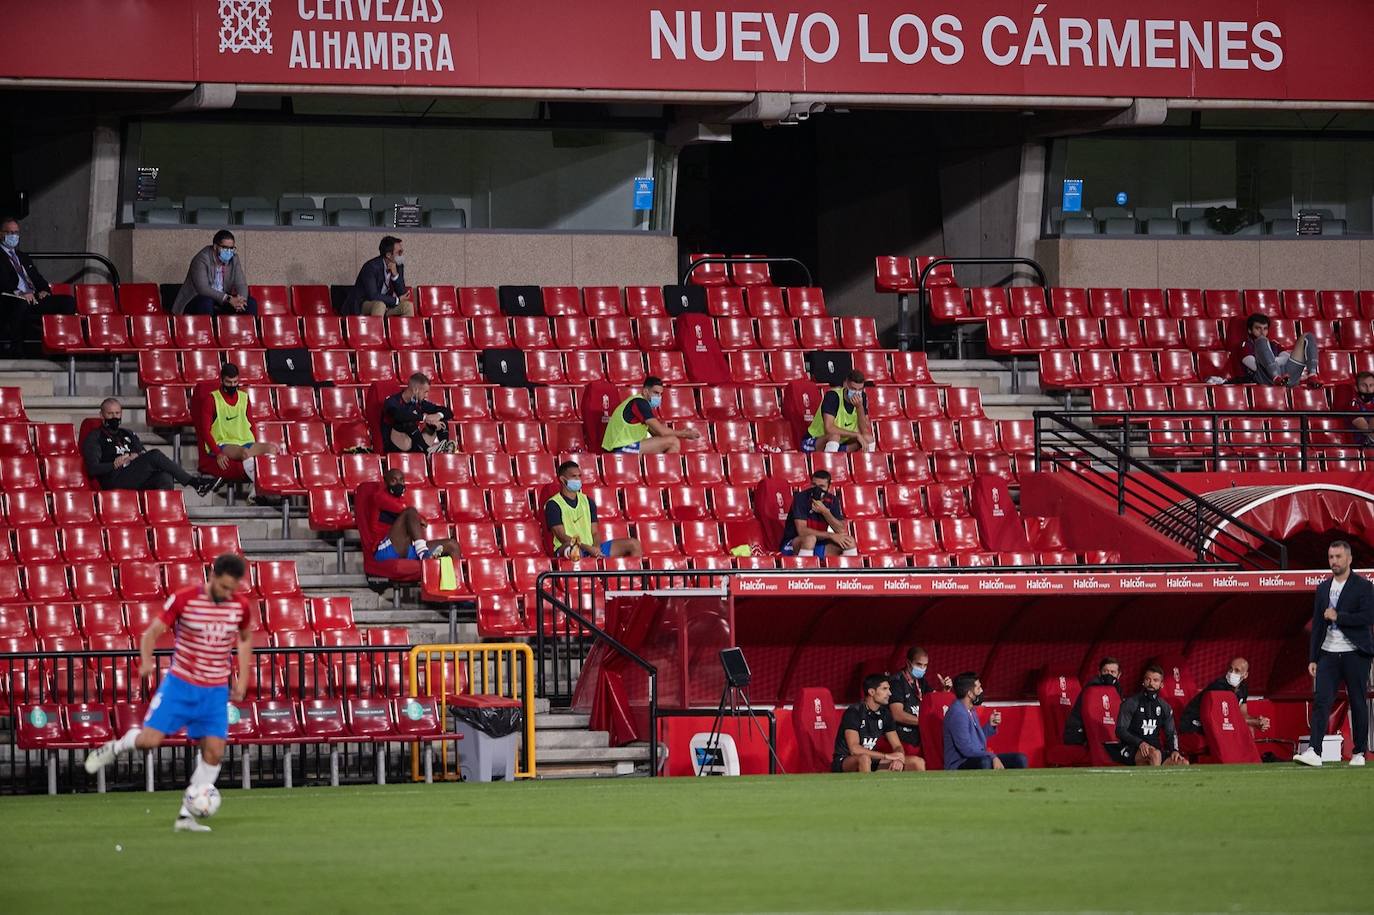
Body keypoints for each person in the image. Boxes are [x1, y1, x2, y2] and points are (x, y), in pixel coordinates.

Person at [84, 554, 253, 832]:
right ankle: (117, 746)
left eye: (232, 589)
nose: (227, 593)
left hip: (214, 691)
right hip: (180, 686)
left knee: (214, 752)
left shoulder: (240, 606)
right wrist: (146, 661)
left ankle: (186, 816)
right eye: (223, 587)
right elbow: (151, 633)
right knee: (149, 741)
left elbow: (245, 639)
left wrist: (243, 678)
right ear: (212, 576)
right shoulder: (184, 599)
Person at [1295, 539, 1372, 767]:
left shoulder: (1363, 586)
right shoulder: (1322, 588)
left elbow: (1368, 617)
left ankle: (1359, 752)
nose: (1334, 561)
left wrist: (1339, 617)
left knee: (1357, 701)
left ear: (1349, 559)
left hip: (1355, 653)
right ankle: (1314, 751)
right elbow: (1318, 625)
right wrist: (1313, 657)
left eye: (1338, 557)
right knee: (1321, 701)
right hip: (1328, 653)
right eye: (1331, 557)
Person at [82, 397, 218, 494]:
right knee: (155, 455)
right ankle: (194, 482)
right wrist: (113, 464)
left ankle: (164, 518)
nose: (114, 417)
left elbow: (143, 454)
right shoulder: (95, 436)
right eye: (110, 414)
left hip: (133, 475)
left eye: (117, 413)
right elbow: (92, 469)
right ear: (102, 415)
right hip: (114, 479)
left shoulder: (127, 433)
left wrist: (135, 456)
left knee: (165, 476)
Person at [0, 215, 77, 356]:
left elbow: (38, 279)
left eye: (16, 233)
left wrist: (44, 291)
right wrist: (20, 293)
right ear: (1, 234)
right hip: (11, 298)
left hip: (33, 297)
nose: (14, 236)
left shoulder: (23, 257)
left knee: (68, 302)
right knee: (21, 304)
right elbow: (3, 282)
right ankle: (17, 349)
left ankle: (59, 347)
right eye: (10, 232)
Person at [198, 363, 280, 491]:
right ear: (222, 380)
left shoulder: (244, 397)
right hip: (224, 443)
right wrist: (218, 453)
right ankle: (263, 489)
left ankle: (256, 490)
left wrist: (255, 443)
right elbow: (205, 431)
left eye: (235, 382)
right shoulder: (211, 399)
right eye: (228, 382)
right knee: (244, 453)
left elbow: (251, 423)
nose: (232, 385)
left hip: (245, 441)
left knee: (272, 448)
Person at [544, 461, 641, 560]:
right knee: (574, 551)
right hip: (569, 547)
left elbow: (595, 532)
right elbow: (562, 536)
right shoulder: (553, 504)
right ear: (563, 479)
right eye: (574, 476)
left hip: (590, 547)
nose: (578, 479)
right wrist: (588, 548)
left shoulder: (588, 501)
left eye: (579, 476)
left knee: (634, 544)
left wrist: (596, 548)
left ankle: (637, 571)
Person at [831, 674, 921, 773]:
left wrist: (899, 758)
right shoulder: (854, 712)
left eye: (889, 689)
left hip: (872, 759)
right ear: (871, 692)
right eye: (884, 689)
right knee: (864, 759)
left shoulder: (885, 714)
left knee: (917, 762)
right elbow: (854, 749)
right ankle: (867, 783)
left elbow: (897, 746)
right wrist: (886, 756)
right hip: (846, 760)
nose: (890, 693)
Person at [368, 469, 460, 561]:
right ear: (385, 482)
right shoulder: (379, 497)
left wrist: (418, 518)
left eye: (401, 480)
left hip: (405, 548)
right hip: (384, 549)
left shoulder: (401, 500)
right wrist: (418, 517)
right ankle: (423, 553)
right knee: (410, 511)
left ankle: (453, 570)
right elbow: (401, 509)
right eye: (393, 481)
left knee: (452, 545)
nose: (398, 484)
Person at [944, 672, 1027, 770]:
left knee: (1019, 759)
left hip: (977, 757)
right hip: (960, 763)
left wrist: (990, 725)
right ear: (970, 694)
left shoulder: (970, 710)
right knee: (985, 762)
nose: (981, 691)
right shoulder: (957, 713)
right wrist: (992, 756)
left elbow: (975, 739)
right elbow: (966, 749)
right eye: (978, 688)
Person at [600, 376, 700, 454]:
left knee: (667, 444)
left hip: (627, 447)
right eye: (655, 393)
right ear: (645, 391)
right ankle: (665, 473)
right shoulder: (639, 403)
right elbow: (662, 431)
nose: (659, 397)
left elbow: (656, 433)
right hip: (620, 448)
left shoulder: (642, 405)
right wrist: (684, 434)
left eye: (660, 394)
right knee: (673, 442)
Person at [1113, 665, 1188, 766]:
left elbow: (1171, 733)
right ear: (1143, 682)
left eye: (1155, 680)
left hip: (1155, 749)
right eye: (1148, 679)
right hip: (1132, 748)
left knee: (1183, 763)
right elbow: (1120, 730)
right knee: (1155, 754)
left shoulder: (1164, 707)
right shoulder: (1131, 703)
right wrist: (1140, 742)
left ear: (1161, 684)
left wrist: (1174, 750)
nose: (1151, 683)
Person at [1179, 657, 1272, 736]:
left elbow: (1243, 713)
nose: (1232, 673)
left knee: (1247, 728)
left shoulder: (1243, 688)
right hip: (1194, 721)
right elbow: (1223, 717)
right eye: (1230, 669)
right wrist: (1252, 722)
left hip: (1215, 721)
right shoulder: (1218, 686)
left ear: (1245, 675)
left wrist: (1257, 720)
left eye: (1237, 671)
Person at [172, 230, 256, 315]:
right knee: (206, 302)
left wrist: (241, 301)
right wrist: (228, 299)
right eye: (225, 248)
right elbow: (203, 289)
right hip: (195, 300)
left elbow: (241, 283)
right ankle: (207, 324)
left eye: (231, 248)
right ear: (215, 247)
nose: (229, 252)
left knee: (250, 303)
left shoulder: (234, 259)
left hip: (222, 300)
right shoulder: (201, 259)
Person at [887, 645, 952, 755]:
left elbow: (935, 703)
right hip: (902, 736)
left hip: (920, 736)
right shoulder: (896, 682)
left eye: (925, 665)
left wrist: (945, 691)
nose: (922, 668)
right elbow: (897, 714)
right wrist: (925, 722)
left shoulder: (921, 681)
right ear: (908, 663)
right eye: (918, 664)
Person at [779, 469, 855, 558]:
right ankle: (806, 567)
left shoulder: (833, 500)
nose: (817, 489)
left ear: (829, 487)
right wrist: (830, 535)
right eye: (814, 485)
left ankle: (851, 567)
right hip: (793, 544)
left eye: (822, 486)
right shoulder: (801, 498)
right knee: (810, 539)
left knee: (849, 541)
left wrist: (825, 512)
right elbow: (802, 531)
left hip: (819, 542)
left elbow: (841, 530)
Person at [1231, 312, 1319, 387]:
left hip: (1286, 377)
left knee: (1308, 336)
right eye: (1258, 328)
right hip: (1265, 379)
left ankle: (1312, 375)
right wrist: (1274, 361)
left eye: (1265, 329)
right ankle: (1276, 377)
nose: (1262, 332)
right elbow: (1254, 366)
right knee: (1261, 340)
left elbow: (1287, 358)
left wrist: (1271, 360)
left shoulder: (1274, 344)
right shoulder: (1244, 345)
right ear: (1250, 330)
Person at [802, 369, 874, 453]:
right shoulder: (833, 396)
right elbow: (829, 429)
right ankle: (830, 461)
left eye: (860, 389)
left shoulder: (862, 398)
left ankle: (866, 462)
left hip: (841, 442)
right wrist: (856, 435)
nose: (856, 393)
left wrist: (859, 407)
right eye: (853, 389)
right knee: (834, 436)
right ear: (846, 384)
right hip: (816, 440)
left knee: (868, 438)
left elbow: (864, 430)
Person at [382, 373, 454, 454]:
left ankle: (445, 449)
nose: (426, 395)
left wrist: (438, 416)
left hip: (416, 443)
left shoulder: (419, 403)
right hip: (395, 445)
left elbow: (448, 412)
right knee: (406, 422)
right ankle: (427, 450)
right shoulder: (392, 401)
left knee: (441, 420)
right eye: (425, 392)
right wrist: (424, 418)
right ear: (415, 390)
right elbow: (399, 416)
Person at [345, 235, 414, 317]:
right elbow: (373, 295)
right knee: (380, 305)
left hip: (386, 304)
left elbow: (402, 293)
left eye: (402, 252)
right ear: (388, 255)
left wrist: (395, 275)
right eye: (399, 252)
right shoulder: (371, 267)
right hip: (363, 304)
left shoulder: (398, 265)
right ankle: (376, 326)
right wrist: (397, 300)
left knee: (408, 306)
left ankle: (404, 326)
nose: (401, 255)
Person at [1063, 656, 1123, 746]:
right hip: (1079, 733)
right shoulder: (1092, 688)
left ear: (1119, 675)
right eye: (1105, 671)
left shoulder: (1117, 689)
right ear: (1099, 672)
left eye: (1112, 672)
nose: (1109, 675)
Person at [1346, 372, 1374, 448]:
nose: (1368, 389)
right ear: (1356, 388)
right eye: (1364, 385)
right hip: (1363, 444)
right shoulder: (1354, 405)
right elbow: (1367, 431)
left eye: (1371, 385)